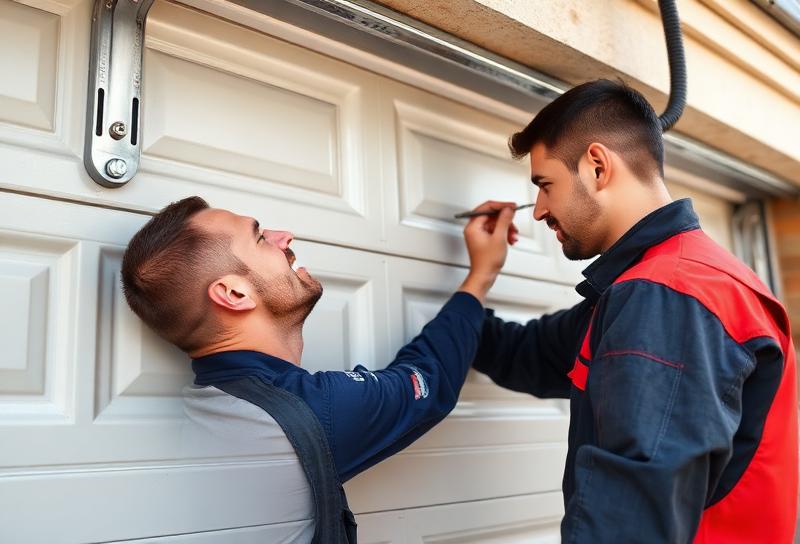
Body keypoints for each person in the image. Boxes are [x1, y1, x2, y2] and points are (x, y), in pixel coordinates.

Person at [465, 79, 798, 543]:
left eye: (545, 185)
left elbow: (628, 524)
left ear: (597, 166)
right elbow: (528, 352)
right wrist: (474, 284)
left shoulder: (668, 295)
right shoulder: (667, 282)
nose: (538, 210)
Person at [119, 195, 513, 543]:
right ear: (234, 294)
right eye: (259, 237)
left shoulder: (205, 409)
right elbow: (430, 378)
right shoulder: (304, 412)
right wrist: (482, 275)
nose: (283, 236)